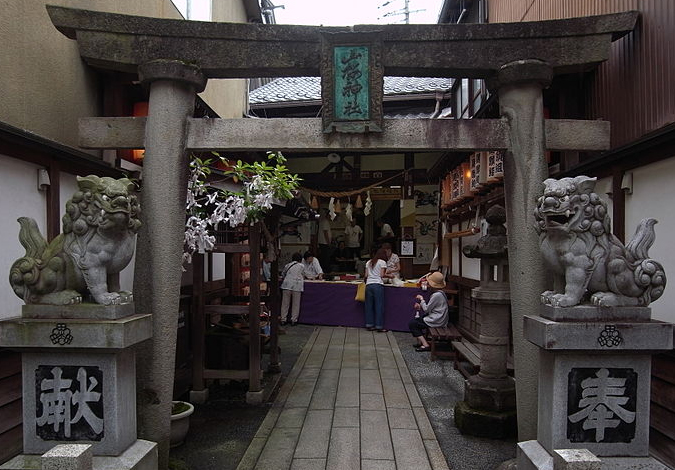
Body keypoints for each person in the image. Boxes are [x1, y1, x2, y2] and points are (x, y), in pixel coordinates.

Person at [409, 271, 449, 352]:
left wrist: (421, 299)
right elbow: (431, 308)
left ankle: (425, 344)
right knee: (417, 321)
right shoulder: (441, 293)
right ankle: (420, 342)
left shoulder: (436, 295)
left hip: (436, 320)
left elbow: (427, 309)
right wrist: (421, 305)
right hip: (439, 317)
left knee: (413, 324)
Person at [364, 247, 393, 332]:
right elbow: (382, 275)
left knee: (369, 306)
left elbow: (366, 275)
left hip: (368, 285)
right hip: (377, 285)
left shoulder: (369, 262)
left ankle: (369, 324)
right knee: (379, 306)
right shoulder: (382, 262)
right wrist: (390, 276)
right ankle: (379, 326)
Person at [280, 252, 305, 326]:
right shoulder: (301, 266)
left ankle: (283, 319)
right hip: (296, 286)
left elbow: (283, 274)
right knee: (296, 304)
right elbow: (304, 274)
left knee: (285, 303)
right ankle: (294, 320)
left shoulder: (287, 265)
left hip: (286, 285)